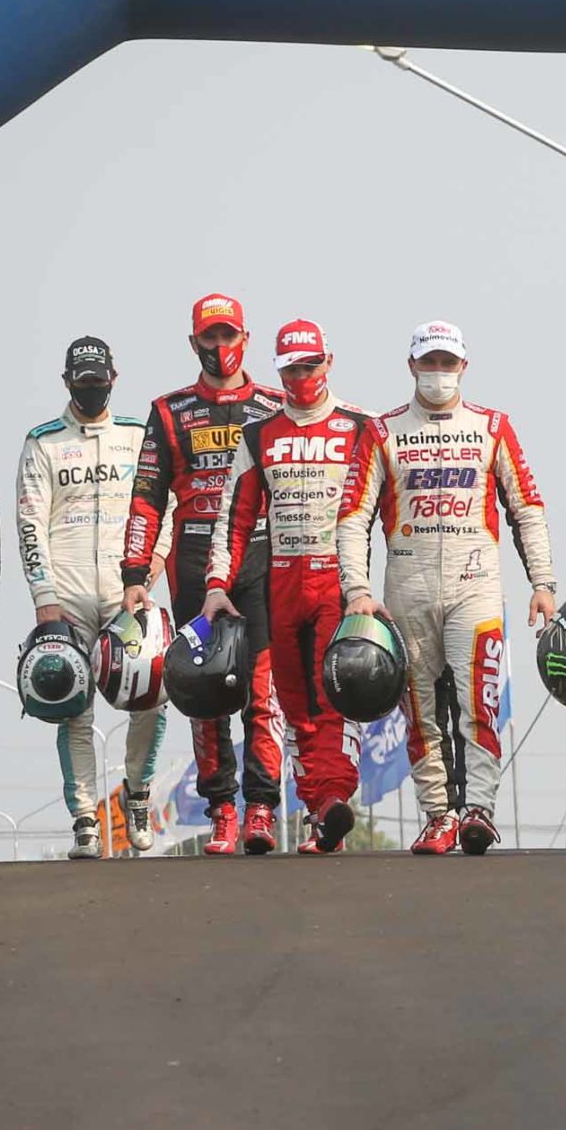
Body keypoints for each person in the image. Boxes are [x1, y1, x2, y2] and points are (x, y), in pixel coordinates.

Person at [341, 320, 556, 856]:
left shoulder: (492, 426)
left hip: (475, 586)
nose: (438, 371)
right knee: (417, 710)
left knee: (479, 701)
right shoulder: (382, 431)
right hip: (406, 590)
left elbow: (527, 508)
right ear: (411, 365)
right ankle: (438, 813)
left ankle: (478, 809)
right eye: (429, 362)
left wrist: (543, 582)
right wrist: (356, 590)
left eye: (447, 362)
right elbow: (352, 516)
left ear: (464, 366)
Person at [121, 293, 285, 858]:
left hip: (259, 556)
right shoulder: (169, 411)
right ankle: (222, 812)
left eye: (228, 335)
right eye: (210, 337)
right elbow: (146, 498)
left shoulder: (274, 405)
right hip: (192, 559)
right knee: (204, 689)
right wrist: (135, 572)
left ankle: (260, 807)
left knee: (262, 691)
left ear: (246, 339)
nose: (220, 346)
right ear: (194, 342)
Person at [202, 320, 370, 855]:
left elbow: (387, 508)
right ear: (278, 370)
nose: (301, 376)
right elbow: (234, 516)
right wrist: (216, 584)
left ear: (329, 362)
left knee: (333, 695)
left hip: (337, 582)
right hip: (281, 580)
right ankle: (322, 813)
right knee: (292, 706)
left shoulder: (360, 427)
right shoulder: (259, 434)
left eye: (310, 365)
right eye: (291, 368)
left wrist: (372, 586)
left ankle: (334, 794)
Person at [19, 337, 169, 859]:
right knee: (71, 706)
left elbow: (166, 502)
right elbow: (29, 522)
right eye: (82, 383)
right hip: (67, 590)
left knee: (153, 695)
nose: (91, 390)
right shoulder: (43, 441)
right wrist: (44, 595)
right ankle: (84, 818)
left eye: (98, 381)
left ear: (114, 378)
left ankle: (137, 793)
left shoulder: (137, 436)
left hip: (128, 588)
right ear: (67, 383)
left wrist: (156, 559)